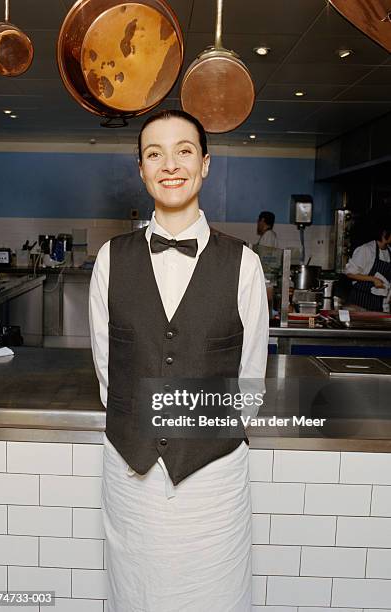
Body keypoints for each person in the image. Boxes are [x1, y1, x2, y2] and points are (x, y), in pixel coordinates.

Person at [89, 109, 269, 611]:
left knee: (216, 597)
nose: (170, 164)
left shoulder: (245, 264)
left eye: (184, 150)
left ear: (205, 164)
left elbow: (250, 382)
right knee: (135, 596)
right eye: (154, 153)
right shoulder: (110, 259)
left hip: (213, 480)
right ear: (142, 170)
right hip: (132, 476)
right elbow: (109, 373)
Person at [345, 219, 391, 311]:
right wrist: (373, 279)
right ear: (384, 233)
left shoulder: (389, 251)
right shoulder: (367, 249)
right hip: (360, 303)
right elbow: (350, 273)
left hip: (379, 304)